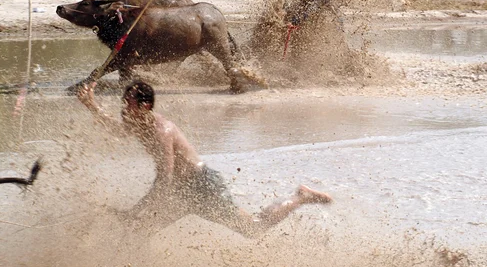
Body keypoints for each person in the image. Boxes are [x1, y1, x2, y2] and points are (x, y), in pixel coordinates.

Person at [77, 80, 333, 237]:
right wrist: (91, 105)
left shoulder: (160, 131)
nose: (123, 108)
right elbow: (117, 131)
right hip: (182, 190)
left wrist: (136, 209)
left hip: (202, 186)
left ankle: (300, 197)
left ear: (144, 107)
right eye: (123, 102)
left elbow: (164, 180)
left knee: (253, 228)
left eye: (127, 103)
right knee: (140, 230)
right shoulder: (138, 123)